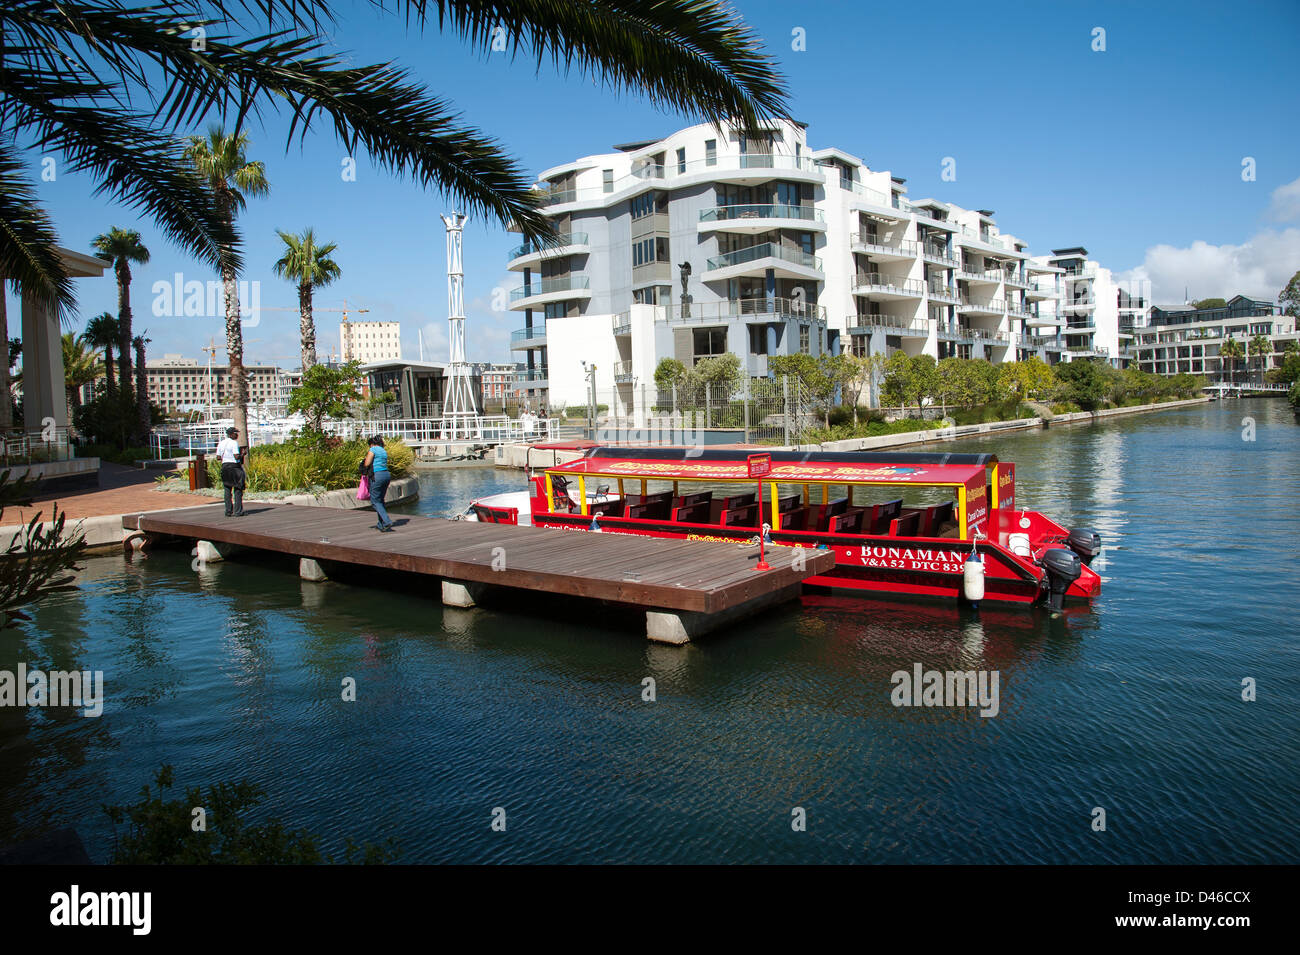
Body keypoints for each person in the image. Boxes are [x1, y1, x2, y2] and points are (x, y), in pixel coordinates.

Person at [362, 435, 393, 532]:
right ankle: (381, 524)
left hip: (377, 476)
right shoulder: (383, 450)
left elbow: (367, 463)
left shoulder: (373, 449)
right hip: (386, 475)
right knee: (380, 500)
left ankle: (387, 521)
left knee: (375, 501)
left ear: (371, 444)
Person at [215, 427, 245, 517]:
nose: (237, 435)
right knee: (238, 489)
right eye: (236, 433)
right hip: (234, 468)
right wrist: (243, 454)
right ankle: (238, 511)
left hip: (225, 467)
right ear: (231, 434)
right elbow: (236, 457)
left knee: (227, 489)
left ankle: (228, 511)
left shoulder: (221, 443)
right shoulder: (234, 443)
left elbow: (218, 457)